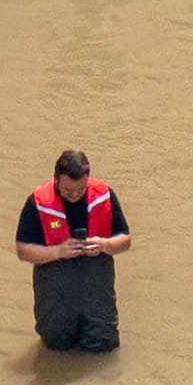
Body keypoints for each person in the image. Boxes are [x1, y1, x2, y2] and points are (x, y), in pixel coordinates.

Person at [14, 150, 132, 353]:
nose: (75, 195)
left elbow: (126, 240)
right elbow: (22, 250)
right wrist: (57, 252)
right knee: (56, 347)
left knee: (102, 347)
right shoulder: (37, 203)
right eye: (69, 190)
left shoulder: (104, 195)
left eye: (81, 189)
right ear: (56, 179)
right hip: (56, 296)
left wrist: (105, 245)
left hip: (97, 294)